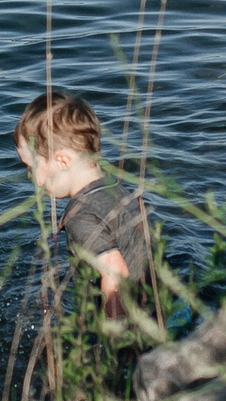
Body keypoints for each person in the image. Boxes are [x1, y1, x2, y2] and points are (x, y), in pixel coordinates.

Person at [15, 88, 154, 309]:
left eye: (32, 167)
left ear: (62, 161)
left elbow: (116, 274)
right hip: (158, 306)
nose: (33, 178)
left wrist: (114, 335)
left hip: (131, 325)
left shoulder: (81, 217)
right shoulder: (118, 191)